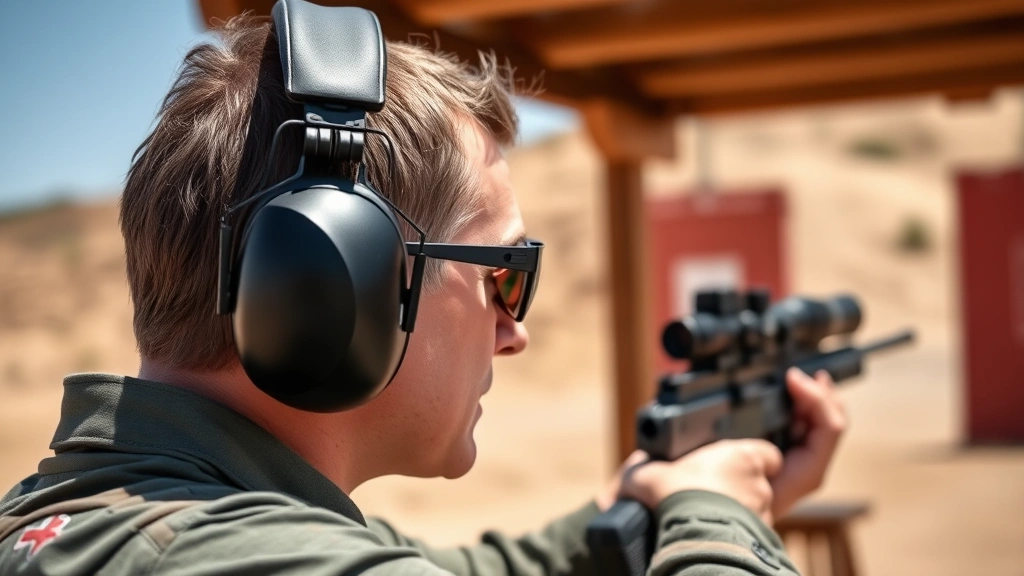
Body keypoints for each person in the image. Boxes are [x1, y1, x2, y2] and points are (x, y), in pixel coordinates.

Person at [0, 13, 846, 575]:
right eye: (502, 275)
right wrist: (718, 516)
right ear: (341, 286)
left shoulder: (117, 514)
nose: (514, 332)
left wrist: (645, 500)